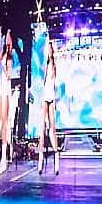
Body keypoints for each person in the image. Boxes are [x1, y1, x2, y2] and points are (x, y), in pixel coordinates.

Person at [38, 35, 60, 176]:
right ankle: (40, 159)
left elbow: (54, 82)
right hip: (44, 95)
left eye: (50, 49)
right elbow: (43, 79)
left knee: (53, 128)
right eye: (48, 50)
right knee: (42, 128)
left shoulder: (54, 65)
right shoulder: (44, 65)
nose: (49, 52)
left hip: (51, 95)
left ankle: (57, 157)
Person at [0, 29, 18, 173]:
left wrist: (5, 70)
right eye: (7, 39)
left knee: (4, 122)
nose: (8, 41)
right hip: (0, 87)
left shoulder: (11, 57)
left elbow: (10, 74)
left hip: (6, 88)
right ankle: (0, 156)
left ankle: (4, 158)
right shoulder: (3, 54)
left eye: (9, 40)